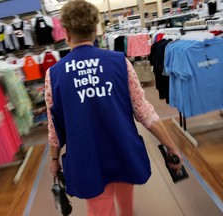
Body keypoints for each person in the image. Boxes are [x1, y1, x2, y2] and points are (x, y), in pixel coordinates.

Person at [45, 1, 183, 215]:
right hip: (122, 149)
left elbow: (55, 127)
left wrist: (54, 160)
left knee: (100, 207)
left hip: (87, 156)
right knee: (125, 199)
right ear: (95, 29)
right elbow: (144, 111)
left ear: (66, 32)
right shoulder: (119, 62)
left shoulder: (54, 75)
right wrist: (171, 145)